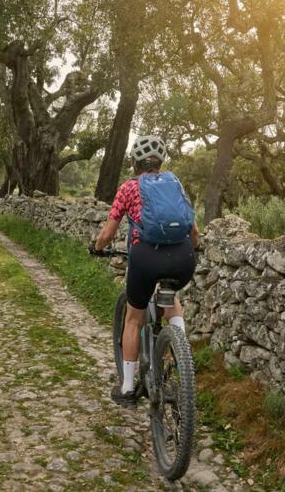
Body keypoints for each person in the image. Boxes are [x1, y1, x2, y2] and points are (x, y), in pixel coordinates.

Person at [89, 135, 199, 407]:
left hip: (146, 258)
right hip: (183, 258)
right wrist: (195, 249)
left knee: (134, 318)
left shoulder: (128, 188)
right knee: (171, 298)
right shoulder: (175, 184)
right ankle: (182, 356)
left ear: (134, 162)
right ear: (160, 162)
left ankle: (127, 388)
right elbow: (193, 230)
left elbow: (108, 232)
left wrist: (97, 247)